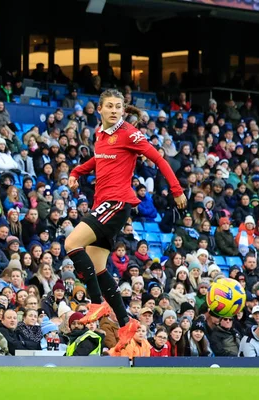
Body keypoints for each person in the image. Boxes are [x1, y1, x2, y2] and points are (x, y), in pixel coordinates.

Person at [66, 89, 187, 342]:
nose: (113, 110)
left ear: (123, 110)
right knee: (98, 267)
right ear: (99, 109)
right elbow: (98, 161)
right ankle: (125, 324)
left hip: (117, 202)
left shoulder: (130, 134)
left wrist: (176, 190)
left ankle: (97, 303)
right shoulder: (101, 134)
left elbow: (160, 160)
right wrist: (76, 172)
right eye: (109, 106)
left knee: (71, 243)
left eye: (118, 106)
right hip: (105, 204)